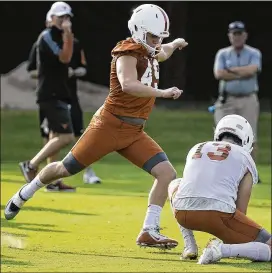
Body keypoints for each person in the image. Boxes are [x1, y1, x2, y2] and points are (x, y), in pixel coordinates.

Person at [5, 3, 188, 249]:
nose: (156, 42)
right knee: (64, 169)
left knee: (166, 173)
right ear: (138, 31)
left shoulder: (149, 49)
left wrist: (174, 44)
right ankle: (26, 191)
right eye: (153, 36)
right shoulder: (127, 53)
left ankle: (149, 230)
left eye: (158, 37)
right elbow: (128, 84)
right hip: (109, 127)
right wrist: (163, 92)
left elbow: (162, 52)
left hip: (134, 132)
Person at [167, 114, 271, 264]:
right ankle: (219, 250)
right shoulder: (245, 157)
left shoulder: (196, 147)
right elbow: (241, 211)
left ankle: (189, 245)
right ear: (246, 138)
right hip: (219, 215)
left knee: (175, 183)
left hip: (183, 213)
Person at [26, 9, 100, 192]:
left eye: (67, 17)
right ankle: (31, 165)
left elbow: (76, 63)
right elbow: (64, 58)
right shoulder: (46, 37)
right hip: (50, 94)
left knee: (55, 137)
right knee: (65, 137)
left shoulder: (69, 41)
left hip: (62, 94)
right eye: (60, 17)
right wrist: (67, 33)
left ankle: (52, 181)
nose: (65, 21)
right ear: (51, 19)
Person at [213, 21, 262, 182]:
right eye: (234, 34)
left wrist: (231, 71)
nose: (237, 37)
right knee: (222, 135)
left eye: (240, 33)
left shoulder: (254, 53)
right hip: (227, 100)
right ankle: (220, 172)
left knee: (250, 136)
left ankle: (251, 175)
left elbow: (253, 69)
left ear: (245, 35)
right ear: (229, 36)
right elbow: (219, 74)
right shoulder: (223, 53)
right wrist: (243, 73)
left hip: (248, 99)